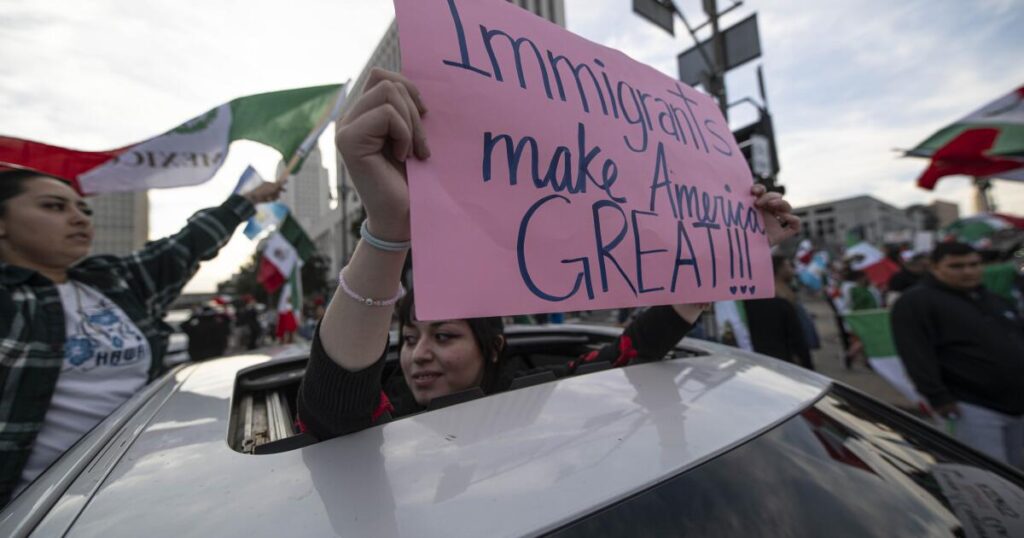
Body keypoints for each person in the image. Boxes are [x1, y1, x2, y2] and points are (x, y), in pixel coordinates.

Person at [296, 69, 802, 441]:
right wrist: (388, 229)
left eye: (443, 335)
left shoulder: (540, 398)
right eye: (407, 340)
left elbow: (632, 353)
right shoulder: (388, 423)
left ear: (493, 349)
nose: (417, 355)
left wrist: (730, 244)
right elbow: (332, 418)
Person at [0, 168, 283, 504]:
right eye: (54, 207)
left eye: (83, 209)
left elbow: (186, 246)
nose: (78, 218)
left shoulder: (110, 282)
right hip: (45, 510)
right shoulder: (10, 301)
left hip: (136, 481)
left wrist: (247, 200)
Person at [891, 242, 1024, 468]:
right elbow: (915, 353)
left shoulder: (991, 298)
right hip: (971, 408)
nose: (968, 271)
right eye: (957, 266)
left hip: (1016, 405)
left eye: (974, 264)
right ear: (934, 267)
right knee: (989, 479)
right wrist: (938, 397)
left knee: (1015, 478)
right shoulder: (916, 302)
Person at [744, 256, 814, 370]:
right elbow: (796, 337)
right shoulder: (780, 300)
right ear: (779, 269)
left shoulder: (755, 298)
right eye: (788, 266)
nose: (792, 270)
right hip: (781, 362)